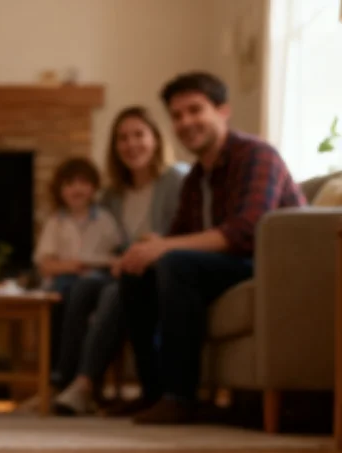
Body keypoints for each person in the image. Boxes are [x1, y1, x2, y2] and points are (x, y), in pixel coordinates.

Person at [115, 72, 306, 424]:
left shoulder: (256, 155)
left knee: (175, 264)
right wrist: (141, 253)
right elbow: (174, 237)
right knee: (139, 272)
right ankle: (154, 392)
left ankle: (180, 396)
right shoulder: (194, 180)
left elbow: (246, 231)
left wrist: (164, 248)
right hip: (224, 267)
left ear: (223, 110)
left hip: (266, 265)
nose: (185, 122)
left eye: (195, 110)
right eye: (177, 115)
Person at [54, 106, 187, 414]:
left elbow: (180, 234)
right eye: (122, 138)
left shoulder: (176, 181)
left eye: (139, 135)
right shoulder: (113, 195)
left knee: (116, 293)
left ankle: (85, 384)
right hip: (120, 269)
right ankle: (64, 382)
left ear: (155, 138)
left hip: (156, 272)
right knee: (82, 287)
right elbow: (108, 242)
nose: (131, 144)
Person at [33, 157, 122, 411]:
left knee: (82, 294)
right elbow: (46, 264)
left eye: (83, 182)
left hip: (98, 284)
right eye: (69, 183)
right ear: (60, 190)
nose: (77, 189)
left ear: (94, 187)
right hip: (64, 285)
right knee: (57, 305)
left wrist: (95, 265)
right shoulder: (56, 222)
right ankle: (57, 381)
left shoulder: (105, 219)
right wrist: (74, 265)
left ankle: (65, 377)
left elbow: (117, 255)